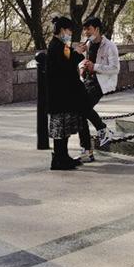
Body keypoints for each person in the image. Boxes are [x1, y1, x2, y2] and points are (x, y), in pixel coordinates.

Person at [75, 17, 119, 160]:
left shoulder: (110, 46)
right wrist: (82, 67)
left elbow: (115, 68)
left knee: (81, 109)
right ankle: (91, 145)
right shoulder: (88, 44)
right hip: (87, 81)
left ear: (97, 29)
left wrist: (95, 67)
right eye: (84, 29)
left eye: (89, 29)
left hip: (101, 83)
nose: (86, 32)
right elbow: (84, 62)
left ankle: (90, 145)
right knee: (80, 110)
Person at [46, 16, 85, 171]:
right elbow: (66, 66)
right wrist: (78, 53)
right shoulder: (56, 46)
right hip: (59, 95)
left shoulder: (62, 45)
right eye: (69, 31)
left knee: (64, 128)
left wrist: (76, 53)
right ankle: (58, 159)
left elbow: (68, 60)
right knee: (60, 129)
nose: (70, 34)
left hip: (64, 94)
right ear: (62, 30)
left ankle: (63, 156)